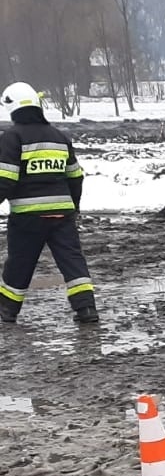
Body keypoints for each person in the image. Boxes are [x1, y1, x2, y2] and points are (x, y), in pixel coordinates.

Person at [0, 82, 96, 325]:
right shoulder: (59, 136)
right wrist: (73, 207)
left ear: (14, 109)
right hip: (62, 215)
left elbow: (5, 179)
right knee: (73, 262)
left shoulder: (12, 138)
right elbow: (75, 177)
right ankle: (86, 310)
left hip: (27, 217)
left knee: (20, 263)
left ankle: (7, 311)